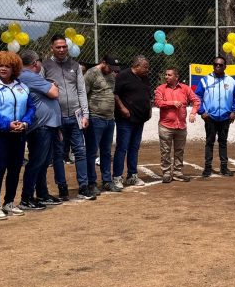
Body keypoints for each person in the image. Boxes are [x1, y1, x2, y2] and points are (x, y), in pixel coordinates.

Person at [0, 51, 35, 219]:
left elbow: (31, 108)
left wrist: (24, 122)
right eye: (0, 65)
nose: (3, 69)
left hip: (18, 133)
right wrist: (7, 125)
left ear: (14, 68)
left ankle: (9, 202)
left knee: (15, 168)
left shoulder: (22, 87)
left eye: (7, 66)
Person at [43, 36, 91, 201]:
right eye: (58, 47)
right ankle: (62, 187)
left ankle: (83, 186)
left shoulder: (75, 66)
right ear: (52, 48)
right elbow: (43, 92)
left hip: (76, 116)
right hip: (57, 118)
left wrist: (85, 114)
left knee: (80, 151)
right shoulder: (46, 67)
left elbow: (81, 91)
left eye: (64, 47)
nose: (62, 50)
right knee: (58, 153)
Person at [18, 49, 61, 210]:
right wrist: (52, 85)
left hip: (47, 125)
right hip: (40, 126)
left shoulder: (32, 77)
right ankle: (26, 197)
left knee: (43, 162)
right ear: (35, 63)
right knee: (36, 162)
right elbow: (54, 92)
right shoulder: (29, 76)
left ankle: (42, 193)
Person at [194, 56, 235, 178]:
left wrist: (234, 111)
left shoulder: (231, 81)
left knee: (223, 142)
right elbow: (197, 97)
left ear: (225, 66)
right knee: (209, 142)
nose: (218, 67)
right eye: (216, 64)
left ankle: (224, 168)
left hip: (225, 117)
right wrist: (202, 111)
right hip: (210, 117)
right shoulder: (205, 80)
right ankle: (207, 168)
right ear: (213, 66)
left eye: (221, 65)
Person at [154, 68, 200, 183]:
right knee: (165, 151)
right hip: (166, 126)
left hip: (181, 126)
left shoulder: (185, 88)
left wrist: (193, 113)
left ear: (176, 77)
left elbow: (196, 101)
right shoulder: (161, 89)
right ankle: (166, 173)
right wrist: (172, 103)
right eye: (165, 75)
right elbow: (158, 103)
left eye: (169, 75)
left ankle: (177, 172)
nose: (166, 77)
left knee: (179, 150)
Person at [113, 55, 152, 188]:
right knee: (122, 147)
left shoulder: (145, 78)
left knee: (134, 148)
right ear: (137, 66)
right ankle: (117, 177)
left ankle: (132, 176)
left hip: (140, 119)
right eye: (145, 67)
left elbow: (147, 94)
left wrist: (149, 109)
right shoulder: (123, 75)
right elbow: (115, 94)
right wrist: (123, 108)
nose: (148, 70)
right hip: (125, 119)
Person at [84, 54, 119, 193]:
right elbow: (83, 94)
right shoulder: (91, 73)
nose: (112, 70)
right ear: (103, 62)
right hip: (95, 118)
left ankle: (107, 181)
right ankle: (91, 182)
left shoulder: (111, 75)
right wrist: (85, 115)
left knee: (106, 151)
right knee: (92, 151)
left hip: (110, 119)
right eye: (110, 67)